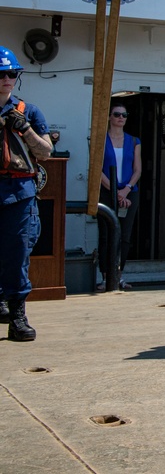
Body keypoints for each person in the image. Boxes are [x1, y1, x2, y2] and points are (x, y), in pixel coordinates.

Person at [0, 46, 53, 341]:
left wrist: (26, 130)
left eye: (12, 74)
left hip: (19, 192)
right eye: (2, 74)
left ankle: (18, 315)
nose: (7, 79)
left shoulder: (28, 112)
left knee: (18, 252)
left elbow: (46, 151)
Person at [98, 101, 140, 291]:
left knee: (124, 236)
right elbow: (97, 170)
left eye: (124, 115)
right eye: (117, 114)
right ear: (109, 117)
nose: (121, 118)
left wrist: (126, 190)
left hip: (129, 193)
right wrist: (115, 191)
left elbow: (137, 170)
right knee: (106, 235)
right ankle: (106, 277)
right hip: (107, 192)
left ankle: (119, 275)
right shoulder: (100, 140)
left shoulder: (134, 141)